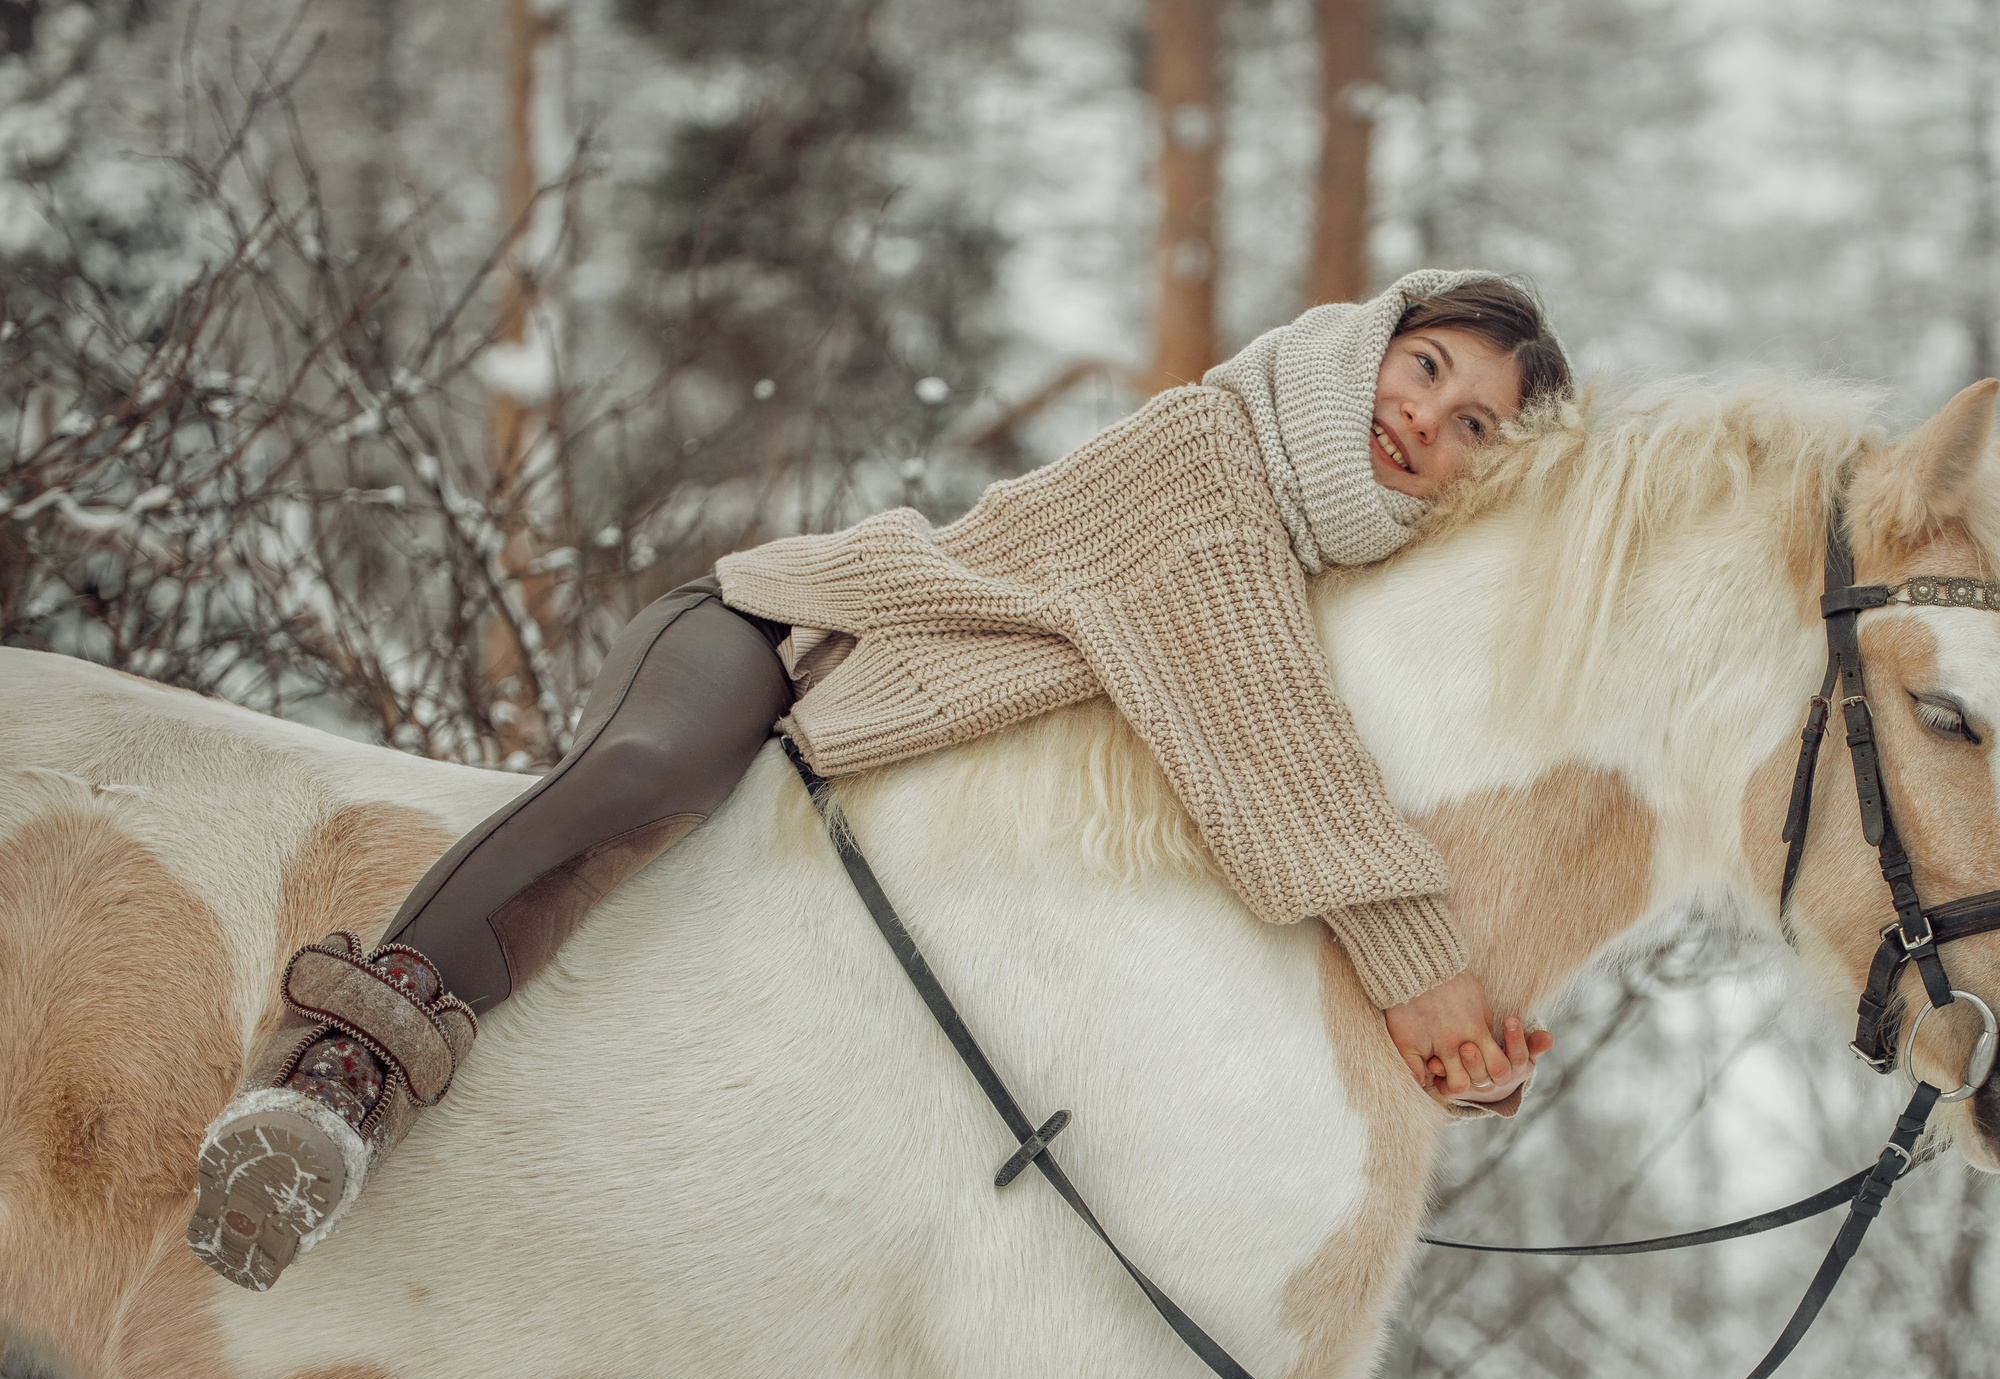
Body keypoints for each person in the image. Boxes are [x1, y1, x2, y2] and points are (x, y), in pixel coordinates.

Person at [192, 267, 1571, 1293]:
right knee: (653, 779)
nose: (1426, 416)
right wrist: (1424, 974)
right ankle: (339, 1068)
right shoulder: (1215, 459)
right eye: (1429, 363)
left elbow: (1291, 764)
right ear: (1368, 341)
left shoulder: (1321, 579)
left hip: (896, 786)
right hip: (781, 648)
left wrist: (1450, 1036)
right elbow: (1272, 748)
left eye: (1474, 429)